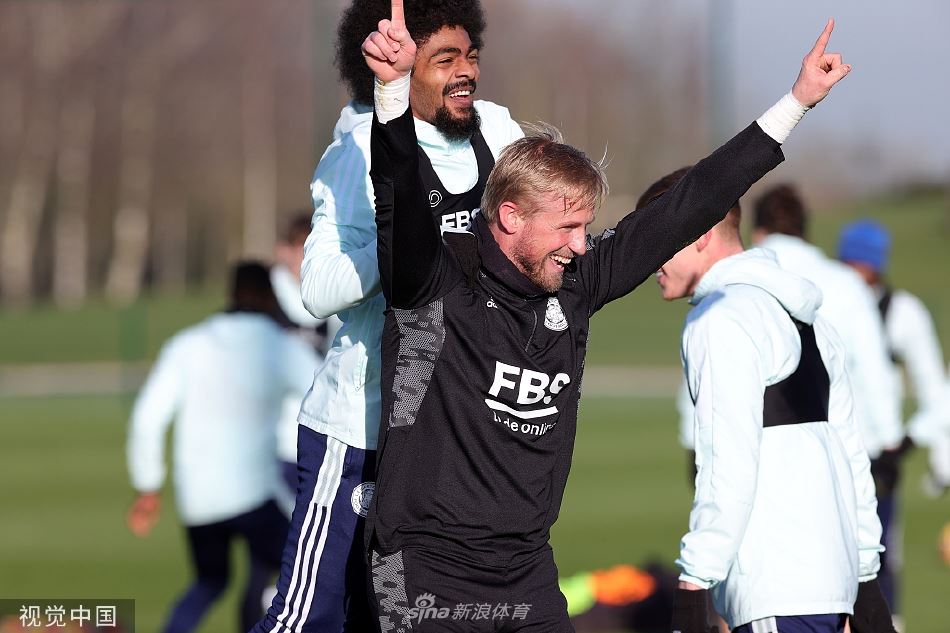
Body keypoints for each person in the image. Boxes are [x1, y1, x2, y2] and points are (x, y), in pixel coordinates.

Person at [365, 6, 850, 629]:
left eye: (585, 227)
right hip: (424, 570)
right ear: (511, 216)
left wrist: (797, 102)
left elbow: (689, 203)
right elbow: (399, 197)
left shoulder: (576, 282)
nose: (580, 245)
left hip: (526, 571)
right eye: (566, 227)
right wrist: (391, 93)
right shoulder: (435, 281)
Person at [252, 1, 524, 631]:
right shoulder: (355, 150)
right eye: (445, 59)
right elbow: (317, 289)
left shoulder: (497, 130)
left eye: (471, 55)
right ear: (397, 68)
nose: (466, 71)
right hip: (361, 435)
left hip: (452, 440)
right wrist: (408, 242)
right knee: (306, 620)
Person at [643, 169, 894, 633]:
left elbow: (727, 460)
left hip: (775, 590)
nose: (647, 258)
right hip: (831, 588)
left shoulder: (720, 318)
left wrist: (694, 585)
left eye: (655, 238)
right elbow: (851, 457)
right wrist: (865, 577)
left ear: (700, 234)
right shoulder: (812, 320)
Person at [126, 262, 319, 633]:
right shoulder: (279, 346)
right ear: (269, 298)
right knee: (308, 568)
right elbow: (324, 390)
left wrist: (148, 486)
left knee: (209, 582)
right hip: (255, 496)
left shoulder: (187, 344)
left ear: (230, 294)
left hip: (199, 499)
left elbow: (147, 418)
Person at [751, 188, 904, 622]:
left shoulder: (746, 278)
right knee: (865, 572)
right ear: (805, 228)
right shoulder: (846, 282)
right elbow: (875, 371)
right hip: (849, 452)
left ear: (758, 229)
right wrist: (890, 443)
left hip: (769, 458)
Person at [837, 219, 950, 620]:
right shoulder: (826, 300)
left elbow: (937, 392)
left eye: (859, 263)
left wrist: (904, 445)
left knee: (881, 563)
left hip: (877, 461)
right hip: (828, 452)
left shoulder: (903, 313)